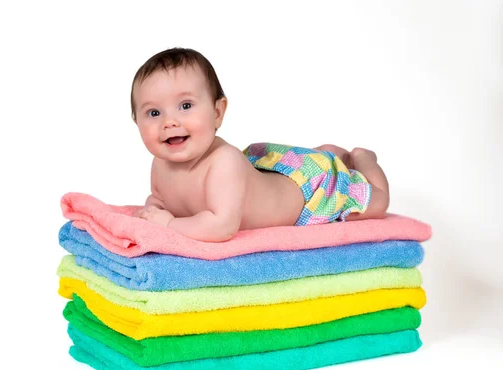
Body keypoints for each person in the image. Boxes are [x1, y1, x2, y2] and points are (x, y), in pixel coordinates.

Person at [131, 47, 389, 242]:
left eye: (185, 106)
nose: (169, 122)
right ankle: (327, 154)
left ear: (217, 112)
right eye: (154, 113)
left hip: (308, 194)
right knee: (319, 161)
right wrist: (154, 209)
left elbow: (221, 226)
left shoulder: (224, 162)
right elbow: (161, 199)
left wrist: (167, 225)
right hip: (276, 173)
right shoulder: (160, 163)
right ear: (136, 121)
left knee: (377, 203)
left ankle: (363, 159)